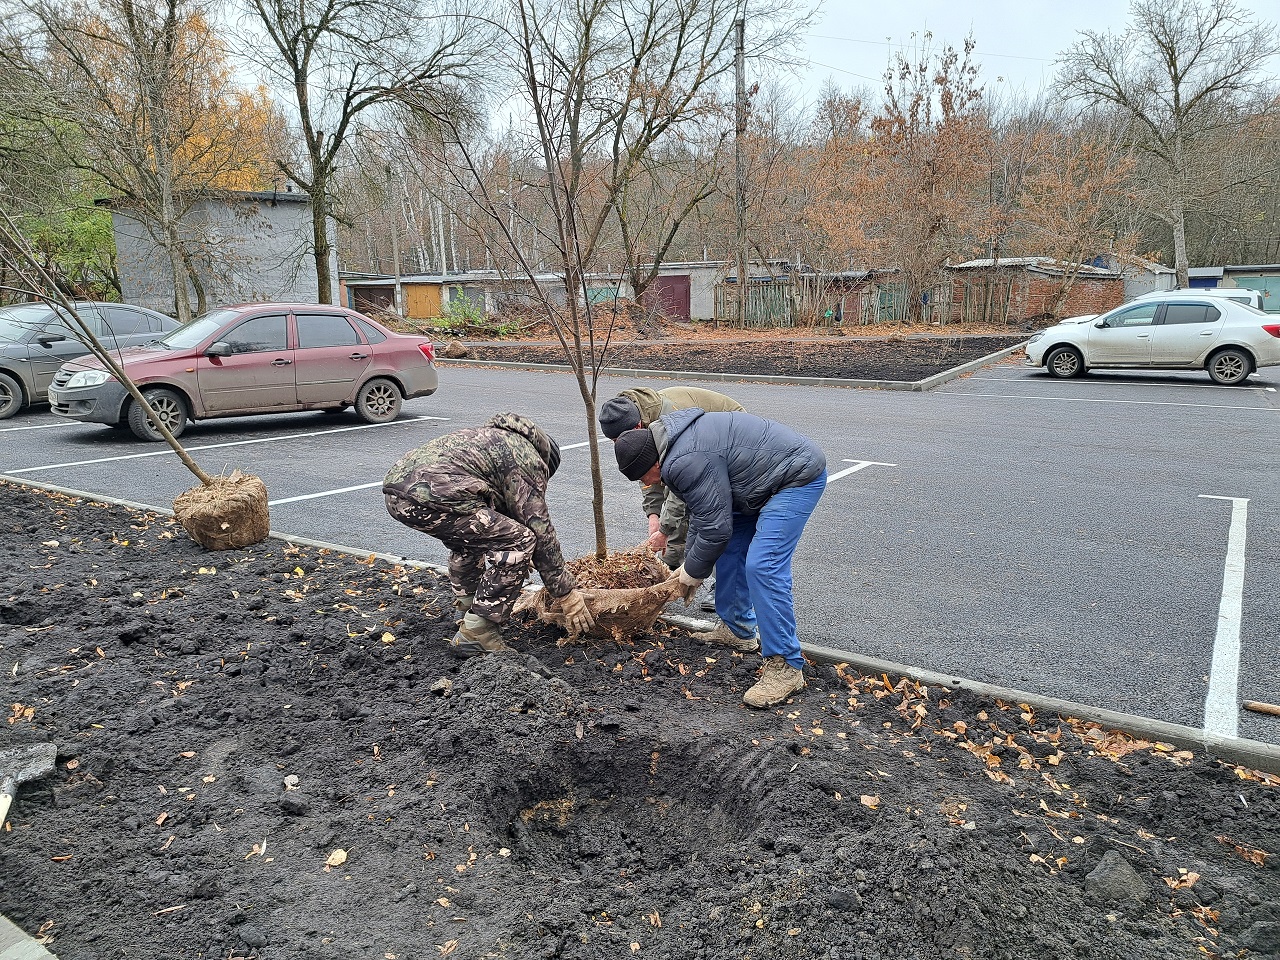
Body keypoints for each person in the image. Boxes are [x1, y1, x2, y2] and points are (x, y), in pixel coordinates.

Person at [613, 409, 827, 708]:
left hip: (794, 477)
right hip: (752, 486)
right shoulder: (673, 443)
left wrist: (692, 573)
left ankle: (786, 666)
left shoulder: (683, 459)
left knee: (763, 566)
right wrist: (690, 563)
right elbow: (704, 515)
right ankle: (738, 629)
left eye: (645, 478)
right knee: (729, 552)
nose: (649, 485)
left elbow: (715, 528)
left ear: (655, 463)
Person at [383, 412, 594, 657]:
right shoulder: (526, 457)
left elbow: (503, 515)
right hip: (431, 495)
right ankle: (478, 633)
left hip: (397, 495)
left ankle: (467, 611)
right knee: (520, 540)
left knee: (473, 542)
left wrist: (515, 561)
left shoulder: (493, 439)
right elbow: (538, 527)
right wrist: (566, 593)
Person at [598, 386, 744, 614]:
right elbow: (646, 473)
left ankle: (723, 585)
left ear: (637, 427)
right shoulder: (633, 417)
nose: (619, 444)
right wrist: (653, 516)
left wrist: (665, 530)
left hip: (733, 437)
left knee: (716, 516)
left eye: (620, 439)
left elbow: (681, 488)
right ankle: (674, 567)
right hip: (696, 450)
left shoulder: (669, 421)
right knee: (683, 512)